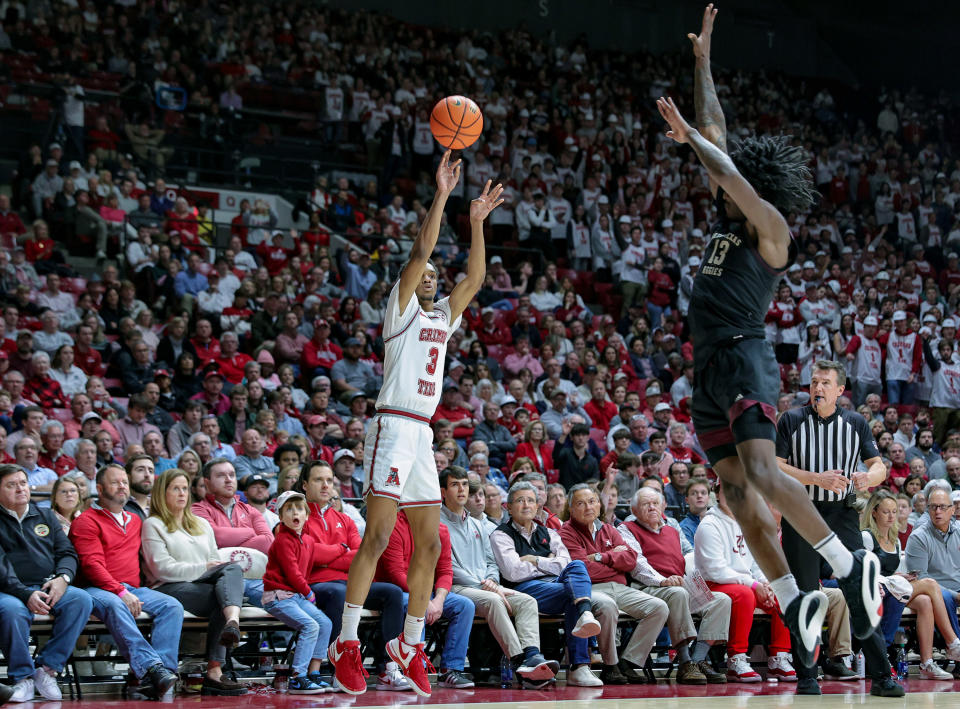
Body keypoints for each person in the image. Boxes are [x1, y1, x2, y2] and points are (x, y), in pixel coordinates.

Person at [656, 5, 880, 682]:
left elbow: (723, 165)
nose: (721, 185)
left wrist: (694, 137)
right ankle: (795, 593)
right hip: (709, 369)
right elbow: (720, 142)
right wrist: (702, 67)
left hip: (748, 352)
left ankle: (848, 563)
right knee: (733, 489)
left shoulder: (772, 228)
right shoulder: (728, 207)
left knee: (759, 470)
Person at [329, 153, 503, 697]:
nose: (430, 277)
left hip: (423, 434)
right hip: (391, 427)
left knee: (429, 544)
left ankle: (408, 644)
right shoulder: (400, 310)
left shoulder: (441, 319)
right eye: (423, 275)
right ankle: (348, 641)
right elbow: (422, 250)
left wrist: (476, 222)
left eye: (434, 277)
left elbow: (475, 277)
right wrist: (443, 195)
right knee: (378, 536)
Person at [775, 360, 902, 694]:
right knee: (806, 596)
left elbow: (879, 468)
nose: (818, 388)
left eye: (825, 383)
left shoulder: (856, 423)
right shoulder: (791, 420)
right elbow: (774, 466)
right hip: (802, 513)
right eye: (814, 382)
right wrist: (816, 478)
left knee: (860, 591)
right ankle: (806, 676)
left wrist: (867, 477)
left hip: (843, 517)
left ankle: (882, 676)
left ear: (840, 390)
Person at [439, 466, 559, 687]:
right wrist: (488, 586)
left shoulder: (478, 524)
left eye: (465, 484)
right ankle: (520, 663)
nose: (462, 489)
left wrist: (493, 581)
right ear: (443, 492)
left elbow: (491, 561)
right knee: (494, 600)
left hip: (487, 586)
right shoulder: (436, 523)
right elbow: (448, 567)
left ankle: (533, 655)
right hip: (454, 587)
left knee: (526, 601)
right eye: (455, 484)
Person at [68, 464, 181, 699]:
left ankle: (161, 676)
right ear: (99, 488)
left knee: (172, 606)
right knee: (114, 604)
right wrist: (120, 591)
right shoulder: (86, 521)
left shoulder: (135, 520)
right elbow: (91, 566)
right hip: (94, 588)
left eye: (125, 482)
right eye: (115, 482)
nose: (122, 486)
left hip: (132, 587)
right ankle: (151, 669)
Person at [295, 460, 408, 691]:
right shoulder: (297, 518)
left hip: (349, 583)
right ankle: (340, 670)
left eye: (329, 480)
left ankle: (388, 669)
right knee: (339, 593)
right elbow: (308, 555)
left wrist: (327, 555)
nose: (325, 486)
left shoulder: (345, 519)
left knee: (393, 593)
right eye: (318, 480)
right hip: (316, 585)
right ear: (305, 485)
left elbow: (361, 557)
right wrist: (341, 550)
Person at [490, 481, 608, 688]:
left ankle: (584, 620)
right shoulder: (501, 534)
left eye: (530, 500)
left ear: (538, 506)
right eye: (519, 500)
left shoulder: (550, 533)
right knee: (573, 594)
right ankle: (579, 666)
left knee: (577, 566)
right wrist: (549, 562)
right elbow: (513, 572)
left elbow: (565, 563)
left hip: (553, 585)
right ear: (508, 507)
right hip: (522, 590)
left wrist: (534, 560)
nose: (526, 505)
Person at [140, 469, 247, 696]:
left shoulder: (201, 523)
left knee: (232, 569)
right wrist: (202, 569)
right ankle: (215, 671)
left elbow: (213, 558)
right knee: (222, 597)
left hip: (204, 583)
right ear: (162, 493)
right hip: (167, 586)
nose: (182, 493)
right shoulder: (153, 524)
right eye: (175, 488)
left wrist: (207, 569)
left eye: (185, 488)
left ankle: (232, 623)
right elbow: (162, 568)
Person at [560, 484, 671, 684]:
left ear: (599, 505)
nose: (588, 507)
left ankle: (628, 661)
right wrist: (614, 559)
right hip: (590, 589)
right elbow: (583, 569)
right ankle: (610, 666)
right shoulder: (566, 532)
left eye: (592, 501)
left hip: (620, 587)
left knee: (659, 607)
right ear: (571, 509)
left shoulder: (608, 529)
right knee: (608, 607)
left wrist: (600, 558)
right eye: (581, 503)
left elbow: (630, 559)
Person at [0, 465, 93, 702]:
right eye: (11, 485)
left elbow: (68, 553)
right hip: (9, 590)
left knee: (81, 599)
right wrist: (24, 594)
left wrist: (63, 579)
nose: (20, 488)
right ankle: (22, 678)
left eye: (23, 482)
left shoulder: (45, 515)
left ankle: (47, 668)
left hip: (46, 586)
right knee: (10, 611)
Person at [619, 487, 731, 683]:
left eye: (655, 503)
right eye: (645, 504)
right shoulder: (626, 529)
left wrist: (698, 581)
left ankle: (697, 660)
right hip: (645, 588)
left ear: (663, 505)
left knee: (721, 600)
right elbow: (638, 565)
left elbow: (688, 557)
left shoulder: (672, 528)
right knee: (678, 593)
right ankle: (685, 662)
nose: (652, 507)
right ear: (634, 510)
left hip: (677, 586)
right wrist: (662, 581)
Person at [694, 480, 795, 683]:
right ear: (717, 493)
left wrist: (766, 584)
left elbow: (757, 562)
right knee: (745, 595)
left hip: (743, 583)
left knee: (783, 592)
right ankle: (736, 660)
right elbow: (716, 570)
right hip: (712, 584)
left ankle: (778, 659)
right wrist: (753, 585)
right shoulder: (709, 524)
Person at [861, 490, 960, 679]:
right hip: (875, 589)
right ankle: (953, 643)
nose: (891, 516)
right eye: (885, 511)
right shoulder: (866, 537)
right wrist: (889, 578)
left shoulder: (896, 540)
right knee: (930, 584)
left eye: (894, 511)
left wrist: (899, 575)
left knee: (924, 601)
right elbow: (863, 570)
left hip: (891, 587)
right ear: (873, 513)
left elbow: (887, 571)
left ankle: (926, 664)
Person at [375, 509, 477, 689]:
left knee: (465, 606)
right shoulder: (394, 525)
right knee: (415, 605)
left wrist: (438, 599)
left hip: (428, 594)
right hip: (398, 592)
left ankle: (449, 671)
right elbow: (396, 573)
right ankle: (415, 670)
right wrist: (423, 600)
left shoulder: (440, 529)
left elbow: (445, 571)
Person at [262, 490, 333, 694]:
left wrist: (343, 549)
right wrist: (309, 593)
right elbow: (293, 574)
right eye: (289, 509)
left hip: (297, 597)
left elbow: (307, 569)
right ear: (281, 516)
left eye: (300, 508)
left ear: (307, 515)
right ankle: (297, 677)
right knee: (310, 626)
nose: (295, 513)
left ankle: (314, 672)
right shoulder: (283, 540)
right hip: (278, 597)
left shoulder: (308, 540)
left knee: (325, 623)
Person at [192, 458, 273, 607]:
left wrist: (229, 544)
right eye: (221, 475)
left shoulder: (251, 510)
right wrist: (250, 532)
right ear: (207, 482)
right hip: (217, 580)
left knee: (287, 602)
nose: (229, 480)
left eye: (232, 475)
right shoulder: (198, 509)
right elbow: (216, 536)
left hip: (255, 578)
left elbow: (267, 542)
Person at [678, 477, 711, 545]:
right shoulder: (684, 528)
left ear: (708, 498)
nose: (699, 496)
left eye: (703, 493)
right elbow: (690, 554)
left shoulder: (717, 522)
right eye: (694, 493)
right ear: (687, 500)